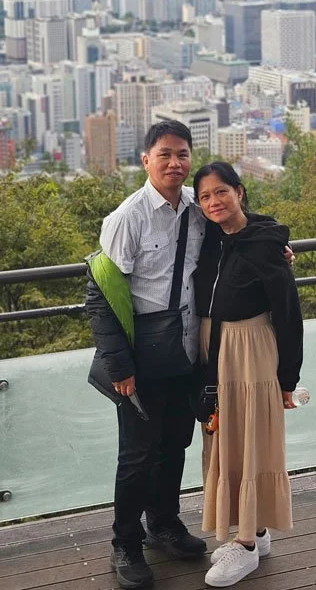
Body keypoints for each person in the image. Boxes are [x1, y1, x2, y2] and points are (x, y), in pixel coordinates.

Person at [85, 120, 210, 589]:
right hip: (142, 356)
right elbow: (100, 296)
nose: (175, 163)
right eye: (165, 154)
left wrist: (279, 245)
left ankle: (163, 522)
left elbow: (240, 225)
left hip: (186, 349)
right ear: (146, 160)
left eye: (182, 154)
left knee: (175, 443)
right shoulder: (127, 218)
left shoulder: (198, 208)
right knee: (137, 455)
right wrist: (119, 366)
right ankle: (125, 542)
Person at [192, 161, 303, 588]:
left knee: (251, 440)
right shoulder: (212, 239)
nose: (213, 202)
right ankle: (254, 529)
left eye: (221, 191)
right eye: (205, 196)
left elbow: (289, 314)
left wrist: (288, 379)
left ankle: (247, 545)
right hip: (216, 350)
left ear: (239, 192)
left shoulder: (264, 245)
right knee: (226, 441)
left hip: (250, 350)